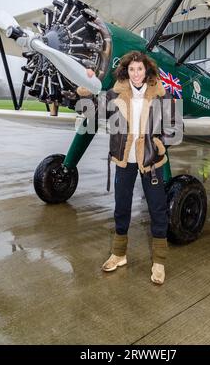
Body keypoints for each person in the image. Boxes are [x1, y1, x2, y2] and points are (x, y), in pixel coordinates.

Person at [77, 51, 183, 285]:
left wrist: (157, 144)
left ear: (147, 71)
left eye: (140, 69)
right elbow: (88, 112)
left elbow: (175, 127)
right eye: (132, 69)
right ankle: (119, 254)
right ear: (127, 71)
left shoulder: (161, 96)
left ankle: (159, 262)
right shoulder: (115, 94)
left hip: (151, 162)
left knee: (158, 209)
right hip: (124, 161)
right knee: (121, 208)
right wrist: (85, 85)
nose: (136, 74)